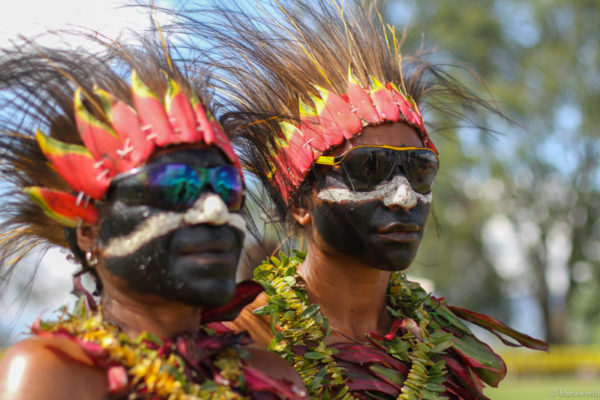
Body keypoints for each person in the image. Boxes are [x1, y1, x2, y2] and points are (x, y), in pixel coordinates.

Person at [178, 1, 549, 398]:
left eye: (420, 170)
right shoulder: (238, 343)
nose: (404, 195)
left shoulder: (444, 351)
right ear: (303, 202)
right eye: (369, 167)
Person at [0, 34, 305, 399]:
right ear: (88, 232)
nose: (215, 210)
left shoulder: (273, 377)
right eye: (175, 188)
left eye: (227, 189)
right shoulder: (53, 375)